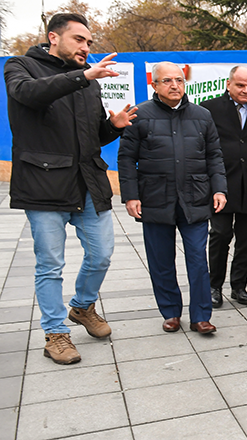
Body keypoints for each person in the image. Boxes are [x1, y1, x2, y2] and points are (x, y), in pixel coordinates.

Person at [4, 13, 137, 364]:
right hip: (43, 186)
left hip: (88, 183)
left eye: (89, 42)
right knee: (50, 264)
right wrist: (82, 76)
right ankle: (56, 334)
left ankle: (81, 307)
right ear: (54, 37)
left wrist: (113, 126)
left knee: (102, 254)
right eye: (79, 39)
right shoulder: (21, 66)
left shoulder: (88, 83)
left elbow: (91, 137)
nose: (86, 47)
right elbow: (28, 95)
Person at [118, 62, 227, 334]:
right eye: (167, 80)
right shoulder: (139, 115)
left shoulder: (202, 116)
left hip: (195, 198)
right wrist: (130, 196)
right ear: (154, 85)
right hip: (155, 199)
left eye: (178, 80)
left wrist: (219, 188)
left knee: (198, 261)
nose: (174, 85)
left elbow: (214, 156)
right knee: (161, 260)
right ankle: (171, 312)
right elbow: (126, 159)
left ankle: (201, 315)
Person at [201, 66, 247, 308]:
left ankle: (239, 287)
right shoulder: (209, 109)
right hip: (220, 185)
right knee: (220, 235)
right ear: (228, 84)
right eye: (240, 85)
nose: (245, 90)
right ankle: (214, 286)